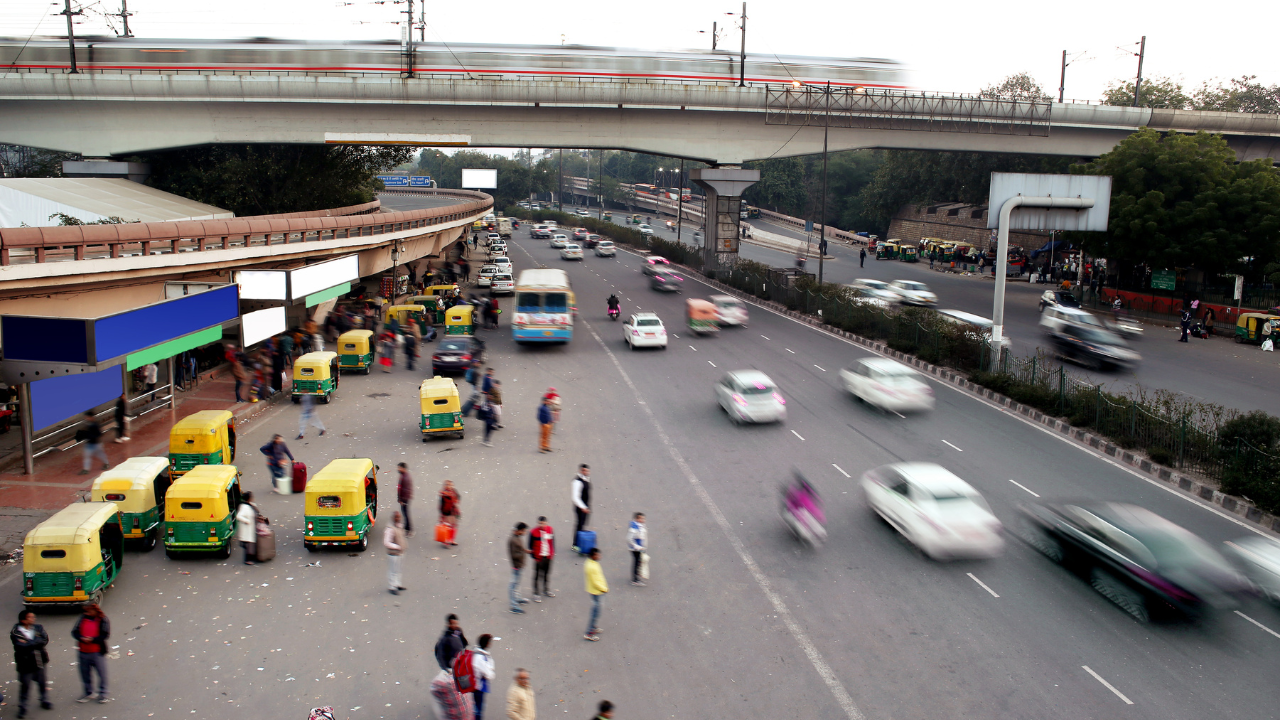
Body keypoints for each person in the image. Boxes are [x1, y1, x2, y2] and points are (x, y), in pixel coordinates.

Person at [11, 610, 52, 717]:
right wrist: (35, 642)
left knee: (42, 683)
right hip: (25, 664)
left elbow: (44, 640)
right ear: (23, 620)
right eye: (30, 617)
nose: (33, 619)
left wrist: (29, 643)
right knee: (25, 685)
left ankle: (44, 700)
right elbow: (20, 647)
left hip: (39, 661)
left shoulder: (38, 628)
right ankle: (23, 707)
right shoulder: (16, 632)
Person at [71, 603, 109, 703]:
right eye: (85, 611)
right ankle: (88, 692)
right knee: (85, 674)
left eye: (88, 611)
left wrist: (92, 640)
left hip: (97, 652)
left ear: (95, 610)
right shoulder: (82, 619)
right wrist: (81, 638)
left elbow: (104, 635)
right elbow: (75, 632)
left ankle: (103, 694)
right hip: (83, 651)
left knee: (101, 673)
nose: (86, 613)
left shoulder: (102, 620)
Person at [583, 548, 608, 642]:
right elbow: (595, 582)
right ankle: (589, 633)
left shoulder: (591, 562)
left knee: (596, 610)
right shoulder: (592, 566)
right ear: (592, 555)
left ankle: (593, 627)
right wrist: (604, 589)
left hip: (594, 591)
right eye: (597, 555)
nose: (599, 556)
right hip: (597, 592)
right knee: (596, 612)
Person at [529, 516, 555, 601]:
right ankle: (536, 593)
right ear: (538, 523)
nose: (542, 525)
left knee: (546, 574)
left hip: (548, 556)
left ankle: (546, 590)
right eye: (540, 523)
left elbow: (552, 542)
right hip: (538, 558)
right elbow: (530, 546)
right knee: (537, 575)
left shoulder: (550, 530)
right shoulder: (533, 532)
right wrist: (534, 557)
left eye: (543, 523)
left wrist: (552, 553)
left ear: (546, 523)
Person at [77, 410, 109, 475]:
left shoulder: (95, 425)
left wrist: (90, 436)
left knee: (100, 455)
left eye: (87, 417)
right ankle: (86, 469)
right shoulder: (89, 424)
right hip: (90, 444)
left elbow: (99, 434)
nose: (86, 418)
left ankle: (106, 463)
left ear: (91, 417)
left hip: (96, 444)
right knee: (87, 456)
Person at [473, 634, 497, 720]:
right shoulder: (480, 658)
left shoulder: (479, 654)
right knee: (478, 710)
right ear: (486, 643)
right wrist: (491, 672)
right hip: (478, 687)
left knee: (476, 707)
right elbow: (489, 674)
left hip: (477, 685)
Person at [508, 522, 530, 614]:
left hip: (519, 565)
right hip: (516, 565)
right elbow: (514, 555)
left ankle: (517, 599)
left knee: (517, 583)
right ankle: (514, 606)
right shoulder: (513, 540)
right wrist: (523, 552)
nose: (525, 532)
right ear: (519, 531)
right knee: (513, 585)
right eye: (524, 531)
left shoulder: (517, 538)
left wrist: (525, 550)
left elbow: (520, 549)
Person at [385, 511, 406, 595]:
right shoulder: (389, 529)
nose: (398, 519)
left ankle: (397, 584)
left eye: (399, 517)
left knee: (398, 570)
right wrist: (397, 547)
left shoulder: (399, 526)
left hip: (400, 553)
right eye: (396, 517)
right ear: (393, 518)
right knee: (393, 570)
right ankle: (392, 586)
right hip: (393, 553)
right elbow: (386, 542)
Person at [236, 491, 259, 565]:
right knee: (249, 544)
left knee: (250, 543)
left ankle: (251, 558)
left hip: (251, 527)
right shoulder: (244, 507)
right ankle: (248, 559)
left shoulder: (251, 505)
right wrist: (247, 521)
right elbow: (239, 516)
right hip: (247, 528)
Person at [627, 512, 647, 587]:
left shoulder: (641, 526)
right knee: (636, 562)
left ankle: (636, 575)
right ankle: (635, 579)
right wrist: (637, 547)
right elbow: (629, 539)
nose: (642, 520)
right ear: (636, 519)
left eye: (643, 518)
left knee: (638, 562)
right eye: (640, 518)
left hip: (640, 548)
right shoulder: (634, 528)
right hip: (635, 549)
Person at [572, 465, 592, 538]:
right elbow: (575, 497)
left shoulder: (586, 479)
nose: (585, 472)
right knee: (579, 525)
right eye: (583, 470)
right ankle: (575, 544)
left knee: (582, 524)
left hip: (585, 506)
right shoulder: (577, 481)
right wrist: (583, 507)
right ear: (580, 471)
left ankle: (580, 542)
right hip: (580, 507)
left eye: (586, 471)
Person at [439, 479, 461, 546]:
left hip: (453, 512)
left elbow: (458, 497)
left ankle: (451, 539)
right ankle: (445, 541)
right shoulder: (444, 494)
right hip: (446, 513)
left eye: (451, 485)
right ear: (445, 486)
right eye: (448, 485)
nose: (450, 486)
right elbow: (441, 505)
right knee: (447, 527)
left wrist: (456, 502)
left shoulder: (454, 491)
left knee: (453, 527)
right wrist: (443, 514)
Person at [397, 462, 414, 537]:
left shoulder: (405, 478)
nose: (398, 469)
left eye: (399, 468)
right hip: (405, 498)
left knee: (406, 514)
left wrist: (401, 499)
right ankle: (407, 527)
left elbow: (404, 490)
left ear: (403, 468)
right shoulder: (404, 476)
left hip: (405, 499)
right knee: (405, 513)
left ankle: (409, 529)